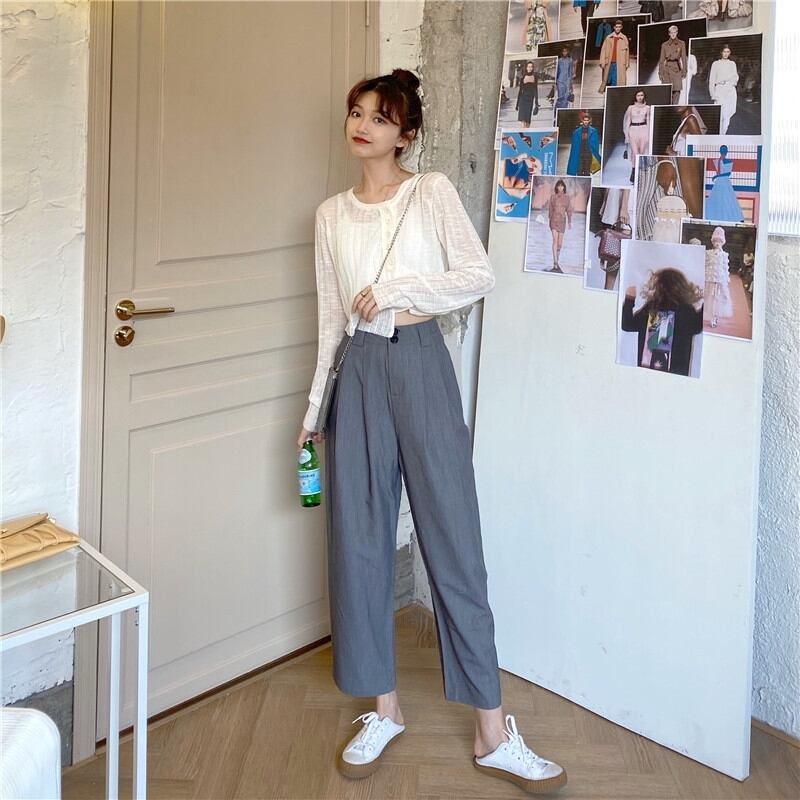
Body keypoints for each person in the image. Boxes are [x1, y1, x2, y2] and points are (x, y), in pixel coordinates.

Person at [297, 68, 568, 794]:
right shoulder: (330, 215)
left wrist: (396, 289)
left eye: (380, 118)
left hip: (420, 363)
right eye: (357, 113)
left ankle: (492, 731)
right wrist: (313, 412)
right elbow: (330, 319)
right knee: (358, 540)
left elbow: (477, 275)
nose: (363, 126)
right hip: (357, 370)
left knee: (453, 537)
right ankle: (383, 709)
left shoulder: (431, 192)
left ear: (405, 133)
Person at [621, 268, 704, 375]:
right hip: (678, 374)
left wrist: (629, 299)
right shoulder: (686, 310)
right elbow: (698, 326)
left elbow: (627, 324)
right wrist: (705, 307)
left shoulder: (652, 307)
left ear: (659, 287)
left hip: (648, 371)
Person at [705, 144, 744, 221]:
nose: (723, 152)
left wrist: (716, 176)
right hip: (719, 183)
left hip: (725, 182)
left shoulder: (728, 161)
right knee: (717, 199)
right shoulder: (717, 161)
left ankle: (731, 218)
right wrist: (717, 176)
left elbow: (728, 173)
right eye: (722, 150)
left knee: (727, 199)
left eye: (724, 150)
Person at [704, 226, 733, 328]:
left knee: (719, 298)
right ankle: (712, 317)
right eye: (716, 241)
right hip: (711, 279)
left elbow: (725, 267)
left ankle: (715, 316)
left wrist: (726, 278)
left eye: (719, 241)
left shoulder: (724, 255)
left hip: (720, 280)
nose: (717, 243)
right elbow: (706, 264)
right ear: (713, 242)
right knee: (710, 298)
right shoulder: (709, 253)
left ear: (722, 242)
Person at [709, 44, 739, 134]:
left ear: (730, 53)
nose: (726, 54)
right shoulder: (716, 64)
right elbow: (712, 79)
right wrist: (712, 94)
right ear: (721, 52)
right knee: (721, 114)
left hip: (730, 89)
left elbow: (736, 76)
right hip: (720, 89)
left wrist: (732, 83)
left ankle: (723, 134)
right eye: (724, 51)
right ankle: (719, 133)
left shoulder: (732, 64)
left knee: (727, 115)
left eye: (728, 52)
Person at [622, 89, 651, 183]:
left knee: (642, 152)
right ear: (635, 97)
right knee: (635, 152)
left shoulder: (647, 108)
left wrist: (649, 134)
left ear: (644, 96)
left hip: (644, 130)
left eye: (641, 95)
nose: (640, 97)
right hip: (633, 130)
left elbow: (649, 121)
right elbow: (627, 121)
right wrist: (626, 135)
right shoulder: (631, 108)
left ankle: (640, 174)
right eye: (638, 95)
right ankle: (634, 172)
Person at [547, 179, 573, 272]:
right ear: (556, 187)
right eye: (559, 186)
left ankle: (557, 261)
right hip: (554, 220)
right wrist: (549, 220)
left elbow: (569, 210)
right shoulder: (553, 197)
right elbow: (550, 209)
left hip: (562, 221)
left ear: (564, 187)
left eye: (562, 186)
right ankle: (554, 262)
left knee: (560, 244)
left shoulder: (567, 198)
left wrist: (569, 222)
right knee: (555, 240)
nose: (560, 187)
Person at [658, 25, 687, 104]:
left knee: (677, 91)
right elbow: (661, 60)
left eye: (675, 32)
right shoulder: (664, 45)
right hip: (667, 70)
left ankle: (674, 107)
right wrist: (660, 73)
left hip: (677, 69)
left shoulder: (681, 43)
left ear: (677, 33)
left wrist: (684, 71)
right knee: (667, 92)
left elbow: (684, 58)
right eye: (671, 33)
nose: (673, 34)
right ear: (669, 34)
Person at [598, 19, 630, 92]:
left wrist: (627, 63)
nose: (618, 28)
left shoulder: (624, 38)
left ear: (621, 27)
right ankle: (610, 93)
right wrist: (602, 61)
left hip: (620, 63)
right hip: (609, 62)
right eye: (616, 27)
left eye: (619, 27)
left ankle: (613, 94)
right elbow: (603, 50)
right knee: (608, 80)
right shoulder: (608, 38)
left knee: (615, 80)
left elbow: (627, 52)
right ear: (614, 27)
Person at [567, 111, 601, 176]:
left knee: (587, 171)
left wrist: (594, 152)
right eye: (584, 120)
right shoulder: (576, 132)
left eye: (587, 120)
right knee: (579, 170)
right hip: (579, 153)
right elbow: (574, 145)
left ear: (589, 121)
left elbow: (595, 143)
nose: (586, 122)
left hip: (588, 153)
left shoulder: (593, 131)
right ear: (582, 121)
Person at [516, 61, 540, 126]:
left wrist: (536, 102)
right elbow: (520, 91)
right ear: (526, 68)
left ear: (533, 68)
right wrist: (517, 104)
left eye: (531, 67)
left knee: (528, 121)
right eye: (529, 67)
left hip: (530, 100)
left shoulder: (535, 77)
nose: (530, 68)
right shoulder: (523, 77)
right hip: (523, 99)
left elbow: (535, 90)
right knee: (523, 121)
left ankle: (526, 130)